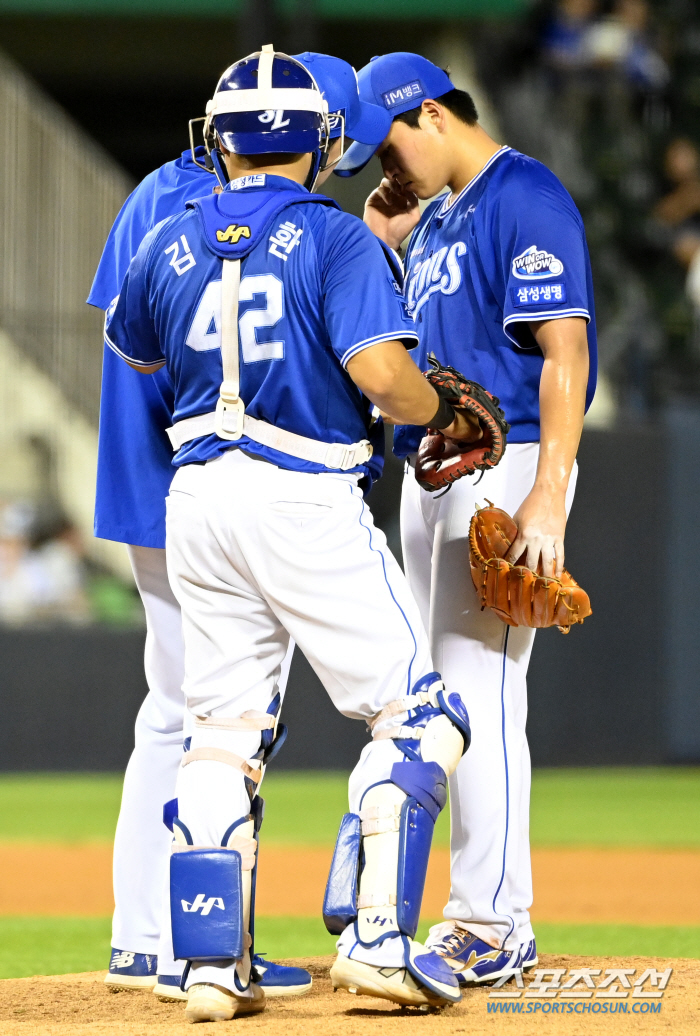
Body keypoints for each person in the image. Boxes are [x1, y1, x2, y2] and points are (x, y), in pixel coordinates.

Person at [105, 45, 475, 1021]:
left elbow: (136, 354)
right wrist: (434, 400)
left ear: (220, 140)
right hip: (304, 492)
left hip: (197, 502)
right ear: (317, 142)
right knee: (423, 717)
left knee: (220, 732)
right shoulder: (330, 237)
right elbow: (385, 381)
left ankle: (208, 966)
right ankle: (380, 943)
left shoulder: (167, 235)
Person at [336, 52, 596, 985]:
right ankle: (478, 909)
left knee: (476, 689)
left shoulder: (525, 194)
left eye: (393, 140)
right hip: (435, 472)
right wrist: (390, 244)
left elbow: (564, 350)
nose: (384, 164)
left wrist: (549, 490)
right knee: (456, 694)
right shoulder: (439, 215)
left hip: (506, 462)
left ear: (437, 115)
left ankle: (492, 918)